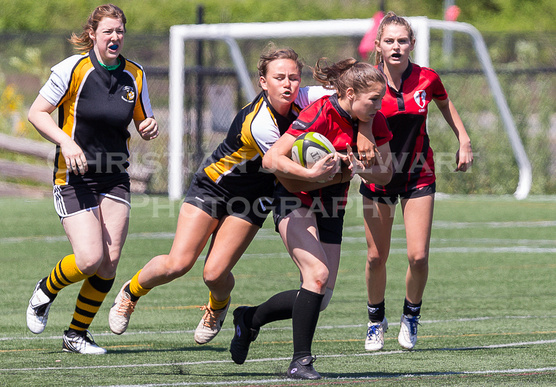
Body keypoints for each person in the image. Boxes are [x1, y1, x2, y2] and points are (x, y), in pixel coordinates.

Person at [107, 46, 357, 345]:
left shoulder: (304, 98)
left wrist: (365, 131)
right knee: (179, 263)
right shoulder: (261, 123)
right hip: (214, 187)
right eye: (279, 77)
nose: (288, 84)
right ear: (263, 82)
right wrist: (326, 173)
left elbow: (351, 97)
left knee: (214, 274)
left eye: (293, 77)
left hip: (253, 198)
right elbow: (289, 180)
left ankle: (217, 305)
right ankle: (131, 292)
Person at [229, 58, 393, 380]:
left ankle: (249, 319)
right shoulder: (319, 112)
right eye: (373, 99)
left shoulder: (375, 121)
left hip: (333, 206)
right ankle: (299, 362)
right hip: (294, 198)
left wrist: (361, 169)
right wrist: (311, 173)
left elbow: (386, 174)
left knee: (320, 298)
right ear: (349, 93)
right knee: (315, 275)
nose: (379, 105)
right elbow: (272, 157)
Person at [25, 3, 158, 355]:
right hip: (74, 176)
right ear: (92, 35)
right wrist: (65, 141)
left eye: (120, 31)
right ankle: (45, 290)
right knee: (88, 259)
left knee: (109, 262)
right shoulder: (73, 68)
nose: (115, 37)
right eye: (108, 31)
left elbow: (144, 120)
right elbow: (36, 113)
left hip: (114, 176)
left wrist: (148, 126)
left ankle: (76, 334)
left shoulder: (136, 74)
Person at [361, 11, 473, 352]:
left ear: (412, 44)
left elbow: (445, 102)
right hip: (377, 176)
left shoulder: (427, 78)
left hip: (418, 174)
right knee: (375, 258)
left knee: (418, 256)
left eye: (403, 40)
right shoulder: (366, 80)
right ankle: (375, 320)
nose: (396, 47)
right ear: (378, 45)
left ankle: (411, 315)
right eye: (390, 41)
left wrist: (464, 140)